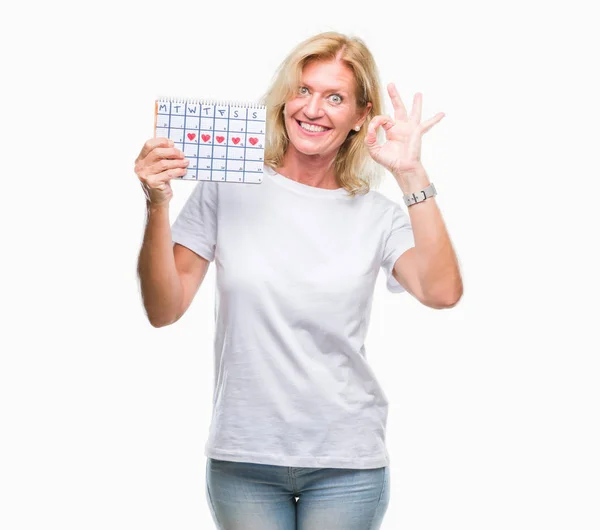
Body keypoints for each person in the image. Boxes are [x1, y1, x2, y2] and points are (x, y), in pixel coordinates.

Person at [135, 31, 462, 530]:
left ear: (360, 116)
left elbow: (442, 292)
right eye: (303, 90)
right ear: (284, 98)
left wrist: (411, 173)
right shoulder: (226, 187)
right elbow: (164, 308)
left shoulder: (378, 216)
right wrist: (158, 203)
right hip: (243, 458)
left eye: (335, 97)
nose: (313, 109)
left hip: (346, 463)